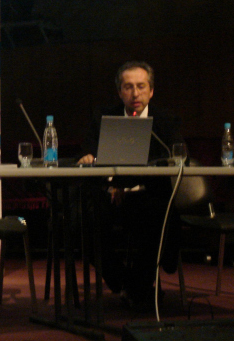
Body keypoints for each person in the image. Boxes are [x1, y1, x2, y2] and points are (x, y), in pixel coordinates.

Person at [78, 61, 183, 309]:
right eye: (128, 87)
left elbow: (175, 159)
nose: (135, 93)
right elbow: (87, 153)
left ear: (151, 90)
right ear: (119, 92)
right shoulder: (103, 118)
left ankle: (137, 285)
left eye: (141, 86)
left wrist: (127, 185)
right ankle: (125, 281)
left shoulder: (166, 122)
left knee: (158, 214)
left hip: (148, 196)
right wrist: (88, 158)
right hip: (110, 197)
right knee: (81, 220)